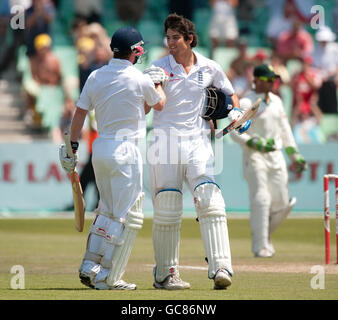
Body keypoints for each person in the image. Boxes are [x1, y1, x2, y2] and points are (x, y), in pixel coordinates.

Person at [144, 13, 251, 290]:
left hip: (198, 141)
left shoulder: (210, 67)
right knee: (167, 207)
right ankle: (165, 275)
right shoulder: (158, 67)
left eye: (175, 38)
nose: (170, 43)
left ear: (189, 39)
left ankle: (221, 268)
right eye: (167, 37)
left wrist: (236, 112)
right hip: (165, 143)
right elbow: (146, 105)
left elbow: (229, 95)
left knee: (210, 200)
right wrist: (150, 85)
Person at [59, 26, 166, 290]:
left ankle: (89, 266)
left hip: (100, 150)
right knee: (126, 216)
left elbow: (80, 114)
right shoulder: (139, 78)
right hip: (126, 151)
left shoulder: (96, 76)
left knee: (105, 211)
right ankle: (109, 276)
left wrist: (72, 147)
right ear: (136, 51)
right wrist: (158, 82)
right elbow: (160, 103)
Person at [230, 64, 307, 258]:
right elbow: (235, 133)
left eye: (274, 79)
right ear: (257, 80)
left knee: (282, 203)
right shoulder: (248, 102)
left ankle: (262, 234)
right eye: (269, 79)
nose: (273, 82)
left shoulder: (277, 101)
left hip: (276, 156)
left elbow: (285, 130)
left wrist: (295, 155)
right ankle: (261, 245)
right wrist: (255, 143)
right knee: (262, 199)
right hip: (254, 157)